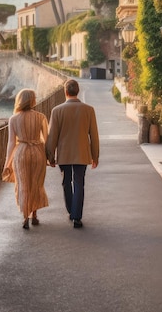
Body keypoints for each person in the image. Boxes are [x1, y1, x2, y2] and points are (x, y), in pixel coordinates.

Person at [46, 79, 100, 229]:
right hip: (82, 154)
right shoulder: (88, 110)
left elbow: (52, 136)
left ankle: (71, 210)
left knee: (66, 182)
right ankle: (77, 216)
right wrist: (95, 156)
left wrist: (50, 156)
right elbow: (94, 136)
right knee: (79, 183)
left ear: (65, 92)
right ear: (78, 91)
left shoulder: (57, 111)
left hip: (63, 154)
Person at [3, 89, 49, 230]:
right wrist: (49, 157)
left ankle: (25, 217)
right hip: (37, 152)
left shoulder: (13, 119)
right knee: (36, 184)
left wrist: (7, 163)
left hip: (21, 153)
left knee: (22, 185)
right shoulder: (41, 117)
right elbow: (47, 139)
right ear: (33, 100)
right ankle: (34, 215)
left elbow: (11, 143)